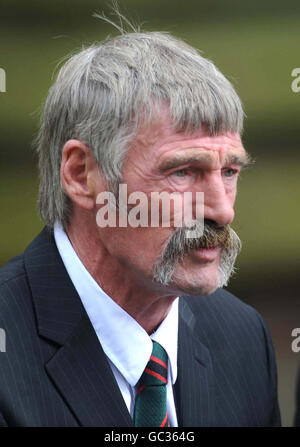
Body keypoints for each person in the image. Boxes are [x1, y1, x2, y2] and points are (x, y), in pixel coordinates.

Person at [0, 24, 281, 427]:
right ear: (82, 175)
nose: (221, 212)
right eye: (183, 172)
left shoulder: (242, 338)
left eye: (230, 170)